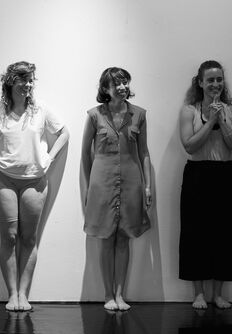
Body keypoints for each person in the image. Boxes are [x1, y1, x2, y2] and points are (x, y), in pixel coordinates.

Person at [0, 61, 69, 311]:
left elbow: (64, 133)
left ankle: (24, 294)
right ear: (10, 82)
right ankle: (12, 295)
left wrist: (50, 158)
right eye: (23, 79)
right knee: (9, 237)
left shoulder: (40, 110)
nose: (28, 84)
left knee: (29, 238)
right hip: (3, 180)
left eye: (31, 80)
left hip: (35, 180)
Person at [81, 67, 152, 311]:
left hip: (132, 182)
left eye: (125, 82)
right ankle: (107, 294)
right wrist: (90, 186)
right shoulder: (94, 115)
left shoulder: (139, 115)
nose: (122, 87)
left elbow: (143, 152)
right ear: (105, 88)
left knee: (124, 238)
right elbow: (85, 155)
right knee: (105, 237)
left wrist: (148, 185)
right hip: (103, 182)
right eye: (117, 83)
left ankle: (120, 294)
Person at [179, 60, 232, 309]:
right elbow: (189, 145)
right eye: (210, 80)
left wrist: (224, 121)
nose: (215, 84)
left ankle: (217, 293)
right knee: (195, 232)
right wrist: (210, 121)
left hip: (225, 174)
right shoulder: (189, 111)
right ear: (200, 82)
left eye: (219, 79)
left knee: (225, 233)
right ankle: (198, 294)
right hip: (197, 174)